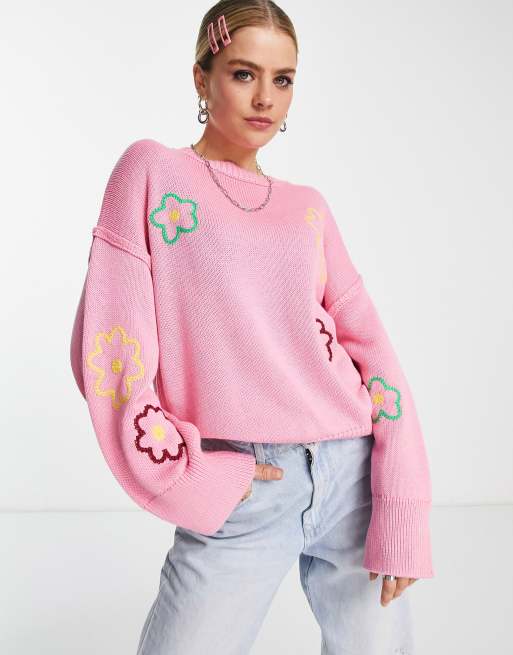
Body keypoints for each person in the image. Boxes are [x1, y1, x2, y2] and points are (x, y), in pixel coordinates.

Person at [69, 1, 434, 653]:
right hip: (246, 477)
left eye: (282, 79)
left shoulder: (307, 208)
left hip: (352, 473)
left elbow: (375, 354)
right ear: (201, 78)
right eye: (243, 73)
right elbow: (109, 350)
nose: (265, 98)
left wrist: (401, 506)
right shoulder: (151, 172)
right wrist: (191, 471)